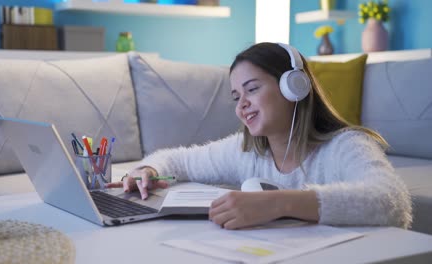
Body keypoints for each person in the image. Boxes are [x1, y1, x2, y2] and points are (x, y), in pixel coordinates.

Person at [106, 42, 412, 230]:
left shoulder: (345, 146)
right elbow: (180, 160)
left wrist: (278, 203)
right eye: (236, 96)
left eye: (252, 89)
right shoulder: (247, 151)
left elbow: (393, 202)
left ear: (294, 87)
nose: (242, 105)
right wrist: (147, 170)